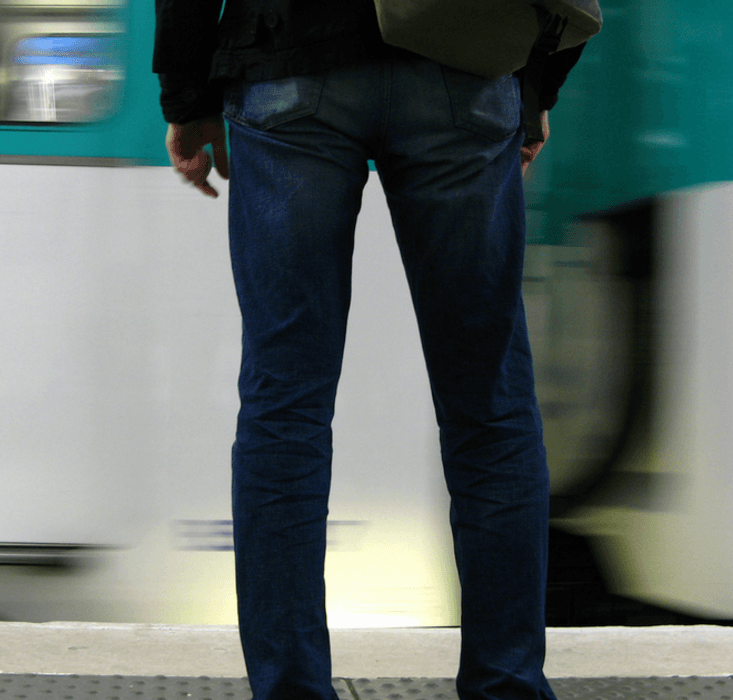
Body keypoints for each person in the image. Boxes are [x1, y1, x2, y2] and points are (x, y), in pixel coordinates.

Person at [153, 2, 585, 699]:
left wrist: (187, 95)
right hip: (464, 66)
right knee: (489, 407)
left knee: (284, 407)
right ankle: (505, 685)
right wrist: (531, 87)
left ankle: (291, 689)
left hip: (286, 61)